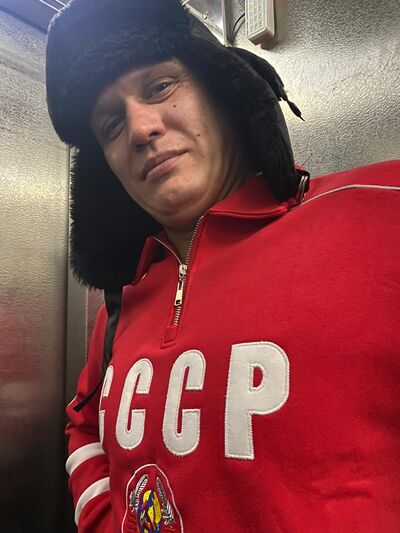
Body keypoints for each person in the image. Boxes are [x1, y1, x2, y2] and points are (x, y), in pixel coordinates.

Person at [46, 0, 400, 531]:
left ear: (223, 87)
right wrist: (103, 519)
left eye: (160, 86)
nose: (140, 128)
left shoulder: (379, 214)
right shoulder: (118, 308)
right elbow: (83, 425)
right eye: (112, 123)